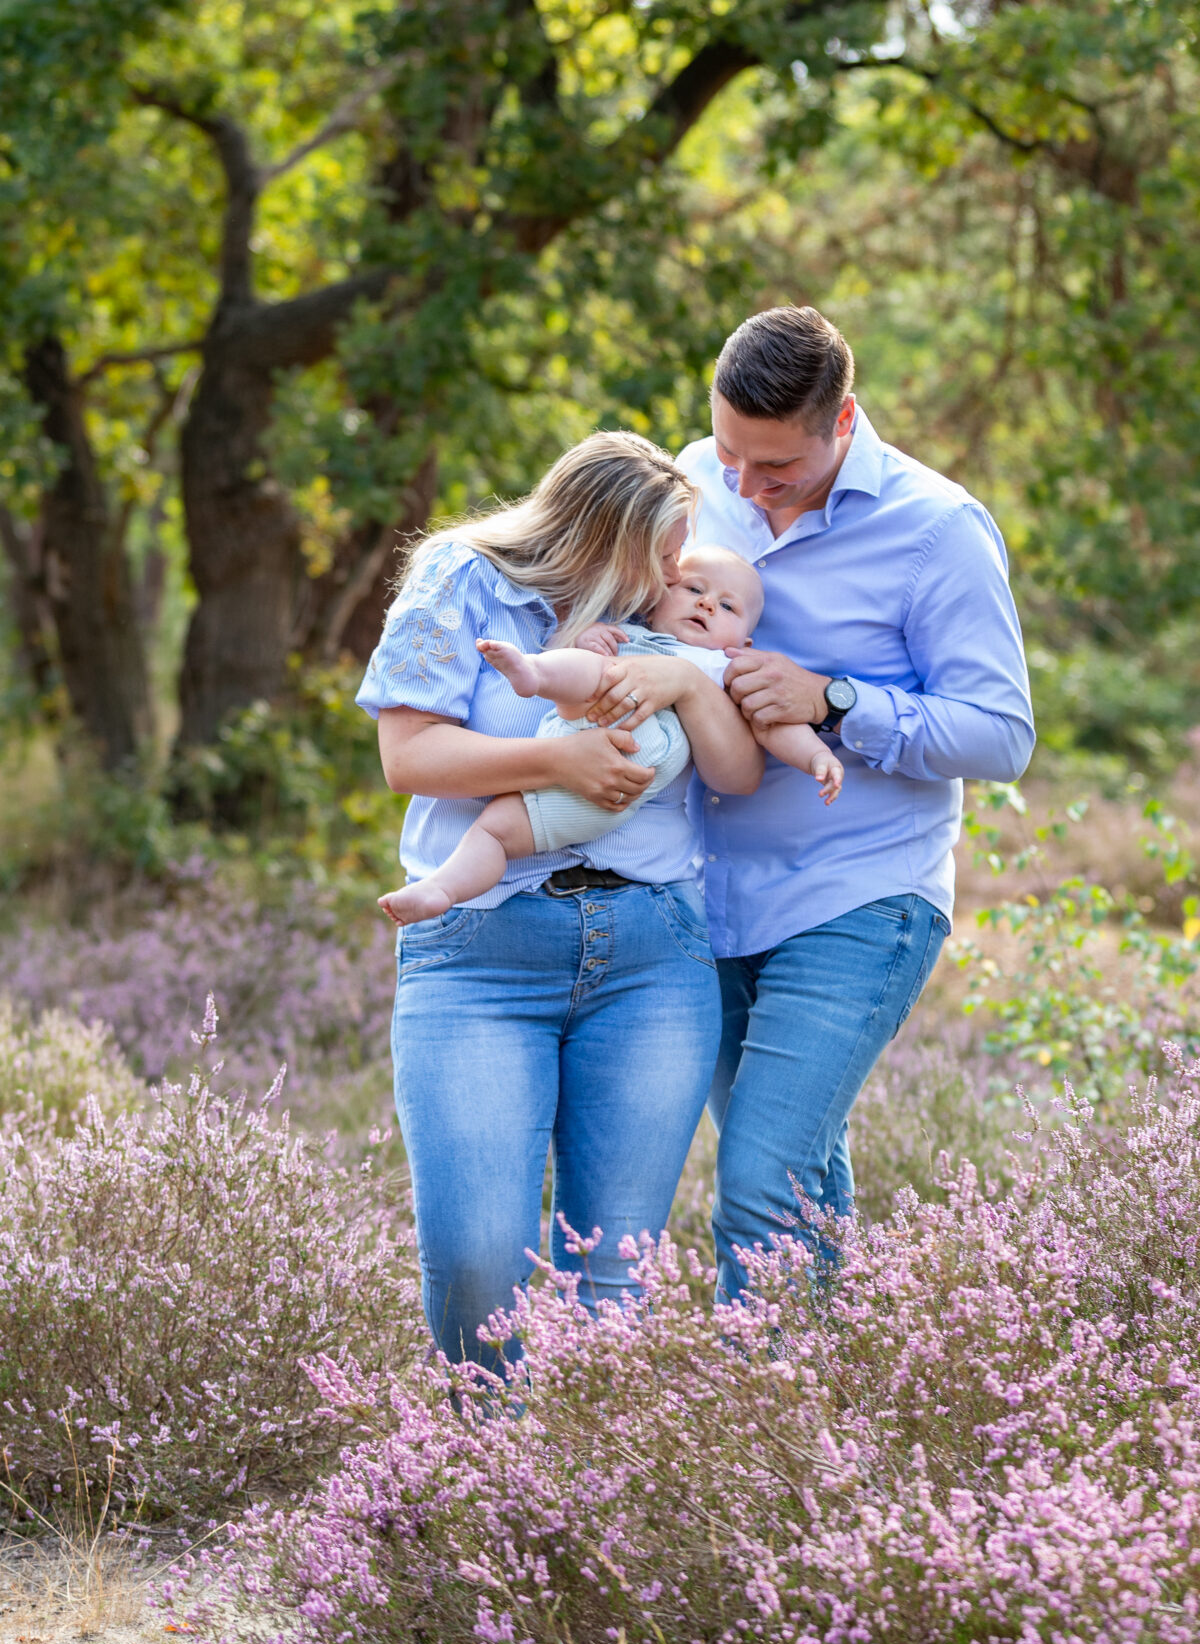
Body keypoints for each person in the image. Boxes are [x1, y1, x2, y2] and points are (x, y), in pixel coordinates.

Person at [356, 432, 762, 1374]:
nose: (676, 572)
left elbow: (732, 761)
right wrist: (552, 759)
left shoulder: (661, 618)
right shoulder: (460, 578)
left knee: (615, 1273)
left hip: (652, 954)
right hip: (485, 948)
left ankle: (586, 1498)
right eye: (662, 551)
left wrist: (698, 687)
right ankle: (490, 1473)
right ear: (600, 531)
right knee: (477, 1260)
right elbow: (407, 755)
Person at [674, 305, 1035, 1301]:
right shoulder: (691, 480)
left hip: (859, 895)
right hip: (699, 894)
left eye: (773, 469)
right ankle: (828, 1419)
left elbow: (1000, 733)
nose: (742, 486)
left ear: (843, 425)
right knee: (794, 1165)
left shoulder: (938, 529)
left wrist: (834, 702)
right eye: (728, 452)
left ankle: (753, 1424)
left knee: (757, 1182)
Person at [377, 543, 842, 925]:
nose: (705, 603)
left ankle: (442, 887)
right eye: (693, 588)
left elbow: (774, 725)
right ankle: (531, 673)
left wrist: (817, 758)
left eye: (726, 606)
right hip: (571, 728)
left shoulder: (729, 669)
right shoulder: (625, 633)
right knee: (593, 665)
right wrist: (588, 639)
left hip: (602, 801)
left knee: (497, 832)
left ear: (744, 641)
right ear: (657, 598)